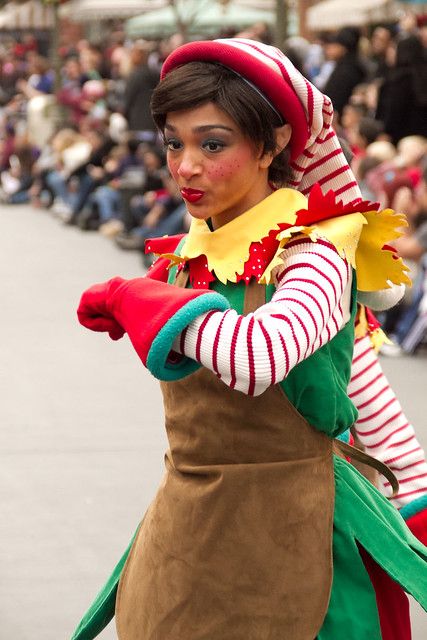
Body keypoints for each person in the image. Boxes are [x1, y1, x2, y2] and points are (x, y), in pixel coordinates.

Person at [73, 39, 427, 639]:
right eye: (173, 143)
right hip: (189, 538)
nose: (185, 166)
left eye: (213, 144)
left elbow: (261, 355)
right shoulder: (189, 255)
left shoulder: (316, 250)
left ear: (273, 144)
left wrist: (148, 303)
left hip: (305, 539)